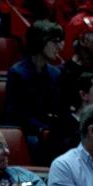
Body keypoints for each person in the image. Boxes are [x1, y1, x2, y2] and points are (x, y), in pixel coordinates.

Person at [7, 20, 65, 162]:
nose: (59, 47)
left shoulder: (55, 74)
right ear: (40, 42)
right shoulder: (18, 73)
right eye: (54, 42)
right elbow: (16, 113)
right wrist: (41, 128)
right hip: (27, 131)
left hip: (48, 130)